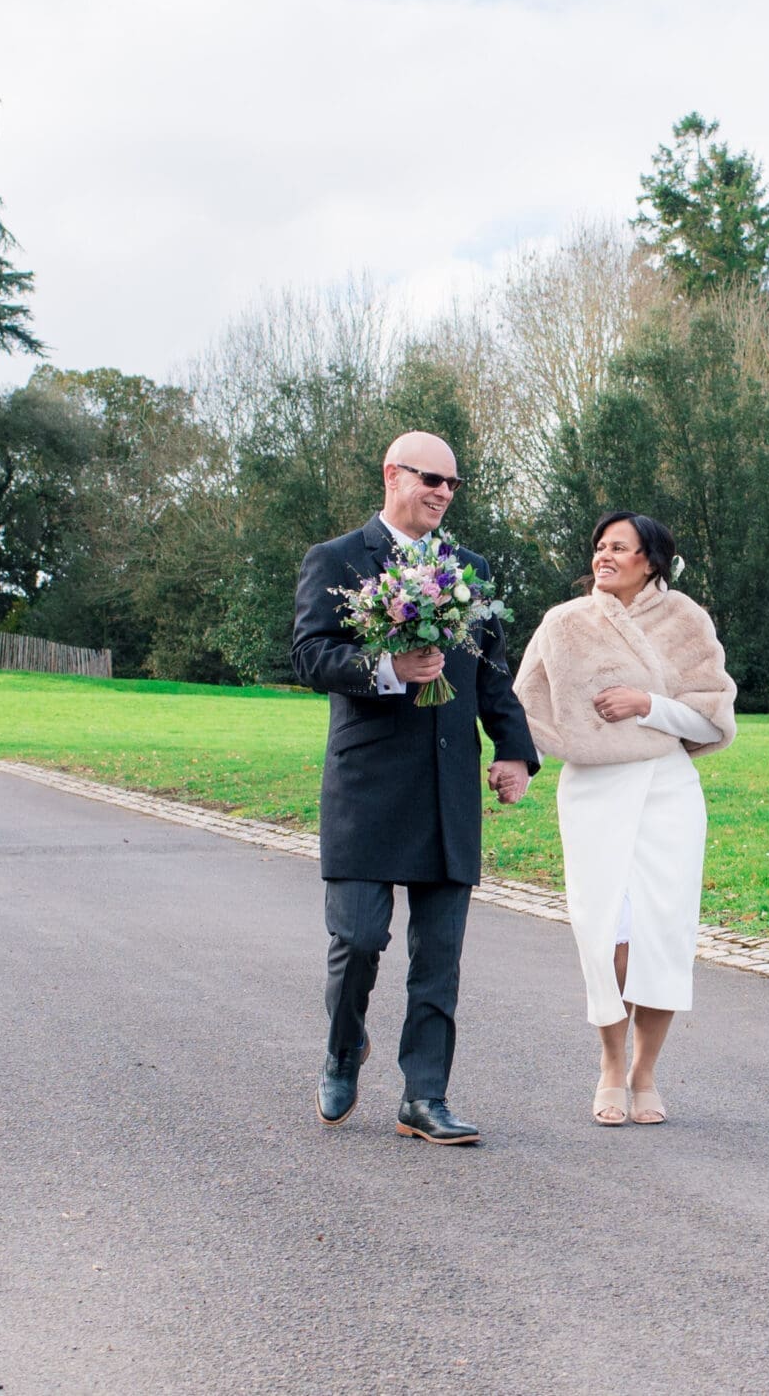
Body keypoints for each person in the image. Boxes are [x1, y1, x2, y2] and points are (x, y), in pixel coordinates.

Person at [290, 430, 538, 1146]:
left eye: (453, 484)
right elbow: (310, 654)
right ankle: (344, 1046)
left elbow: (493, 674)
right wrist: (390, 667)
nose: (443, 492)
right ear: (392, 473)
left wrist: (514, 752)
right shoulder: (337, 559)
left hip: (447, 788)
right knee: (360, 936)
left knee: (439, 955)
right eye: (432, 478)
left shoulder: (471, 569)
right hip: (368, 785)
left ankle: (424, 1097)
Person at [512, 512, 736, 1126]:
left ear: (650, 560)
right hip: (594, 790)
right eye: (600, 547)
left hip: (667, 791)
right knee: (605, 931)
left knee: (662, 933)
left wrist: (650, 705)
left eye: (620, 548)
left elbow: (713, 718)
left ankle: (645, 1073)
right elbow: (522, 702)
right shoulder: (564, 624)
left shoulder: (686, 621)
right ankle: (611, 1064)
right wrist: (523, 763)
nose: (604, 557)